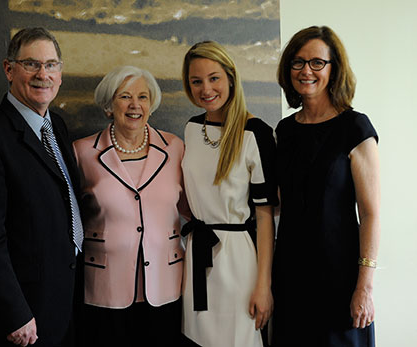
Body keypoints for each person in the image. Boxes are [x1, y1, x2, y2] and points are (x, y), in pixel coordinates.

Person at [0, 27, 83, 347]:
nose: (43, 74)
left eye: (51, 65)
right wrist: (14, 314)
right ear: (9, 69)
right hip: (20, 319)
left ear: (61, 73)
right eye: (31, 64)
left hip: (60, 303)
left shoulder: (58, 127)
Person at [272, 26, 380, 347]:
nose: (306, 70)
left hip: (340, 279)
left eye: (317, 62)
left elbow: (371, 214)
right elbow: (280, 202)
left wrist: (365, 286)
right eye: (298, 62)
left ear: (334, 70)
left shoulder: (355, 127)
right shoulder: (285, 130)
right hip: (290, 275)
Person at [72, 65, 187, 346]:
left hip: (166, 282)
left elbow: (192, 208)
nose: (135, 105)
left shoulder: (174, 148)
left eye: (143, 97)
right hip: (104, 286)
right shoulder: (81, 152)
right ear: (109, 105)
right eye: (125, 97)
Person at [180, 41, 278, 347]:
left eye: (214, 78)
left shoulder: (256, 133)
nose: (205, 88)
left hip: (239, 260)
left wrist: (264, 284)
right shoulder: (191, 128)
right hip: (197, 257)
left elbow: (265, 216)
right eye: (196, 81)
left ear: (231, 79)